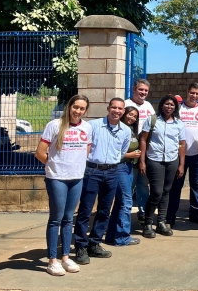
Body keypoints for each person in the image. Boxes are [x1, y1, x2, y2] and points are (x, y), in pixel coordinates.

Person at [35, 95, 92, 276]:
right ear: (69, 106)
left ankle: (65, 257)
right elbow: (40, 152)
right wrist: (54, 166)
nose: (78, 111)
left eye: (82, 108)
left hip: (77, 178)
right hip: (57, 178)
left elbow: (86, 151)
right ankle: (52, 261)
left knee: (68, 219)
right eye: (75, 107)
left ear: (85, 111)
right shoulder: (55, 125)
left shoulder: (87, 127)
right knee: (56, 218)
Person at [72, 98, 131, 264]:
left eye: (120, 109)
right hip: (92, 171)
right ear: (108, 108)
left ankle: (94, 243)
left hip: (112, 172)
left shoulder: (125, 130)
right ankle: (81, 246)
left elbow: (122, 152)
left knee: (105, 210)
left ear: (123, 111)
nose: (116, 111)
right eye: (114, 107)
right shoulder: (93, 126)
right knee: (85, 210)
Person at [139, 95, 186, 239]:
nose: (169, 107)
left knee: (166, 192)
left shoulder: (179, 123)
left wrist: (181, 164)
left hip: (172, 160)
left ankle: (161, 222)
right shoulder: (153, 120)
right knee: (156, 192)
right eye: (166, 104)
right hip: (155, 160)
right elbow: (143, 139)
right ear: (161, 105)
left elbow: (182, 144)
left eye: (172, 105)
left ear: (175, 107)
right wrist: (142, 161)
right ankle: (148, 223)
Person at [168, 82, 198, 227]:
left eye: (197, 93)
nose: (194, 96)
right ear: (187, 92)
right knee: (176, 186)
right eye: (192, 92)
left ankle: (195, 214)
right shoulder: (178, 109)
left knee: (196, 186)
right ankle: (171, 216)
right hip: (180, 155)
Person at [105, 106, 143, 246]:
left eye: (135, 116)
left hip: (128, 167)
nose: (132, 118)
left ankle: (112, 236)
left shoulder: (130, 130)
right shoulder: (116, 129)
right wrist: (129, 155)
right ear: (124, 113)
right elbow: (111, 151)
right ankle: (122, 237)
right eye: (130, 114)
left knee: (120, 202)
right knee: (127, 201)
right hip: (119, 168)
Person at [125, 78, 155, 224]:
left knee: (143, 184)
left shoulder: (149, 106)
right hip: (129, 150)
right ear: (134, 89)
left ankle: (143, 212)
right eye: (140, 89)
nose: (143, 92)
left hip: (145, 150)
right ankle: (125, 212)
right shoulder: (125, 104)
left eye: (146, 90)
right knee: (129, 185)